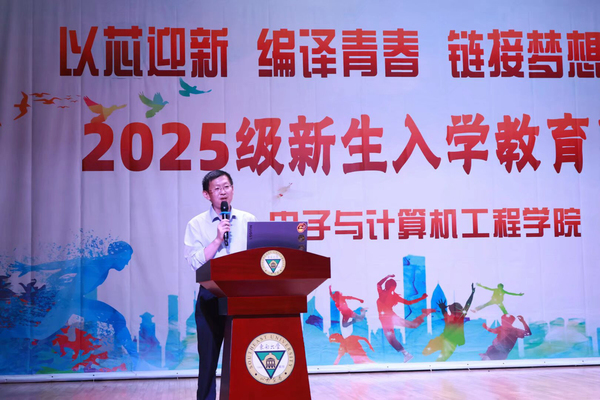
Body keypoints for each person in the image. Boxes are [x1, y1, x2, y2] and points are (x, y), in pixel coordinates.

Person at [184, 170, 256, 400]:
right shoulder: (196, 224)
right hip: (211, 295)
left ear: (232, 189)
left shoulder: (248, 220)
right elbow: (195, 263)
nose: (223, 192)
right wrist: (217, 240)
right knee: (208, 357)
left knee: (244, 355)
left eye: (226, 187)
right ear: (207, 195)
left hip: (241, 296)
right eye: (217, 189)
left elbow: (256, 258)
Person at [376, 274, 435, 362]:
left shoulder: (383, 293)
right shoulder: (390, 295)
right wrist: (421, 298)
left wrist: (387, 276)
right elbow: (409, 302)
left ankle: (406, 354)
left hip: (388, 319)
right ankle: (406, 354)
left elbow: (378, 284)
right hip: (389, 318)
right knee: (412, 326)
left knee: (391, 339)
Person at [423, 283, 476, 361]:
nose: (450, 309)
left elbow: (467, 305)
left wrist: (472, 294)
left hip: (449, 342)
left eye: (451, 308)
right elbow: (467, 305)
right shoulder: (456, 317)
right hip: (445, 340)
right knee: (430, 355)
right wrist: (472, 293)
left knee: (438, 359)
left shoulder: (458, 317)